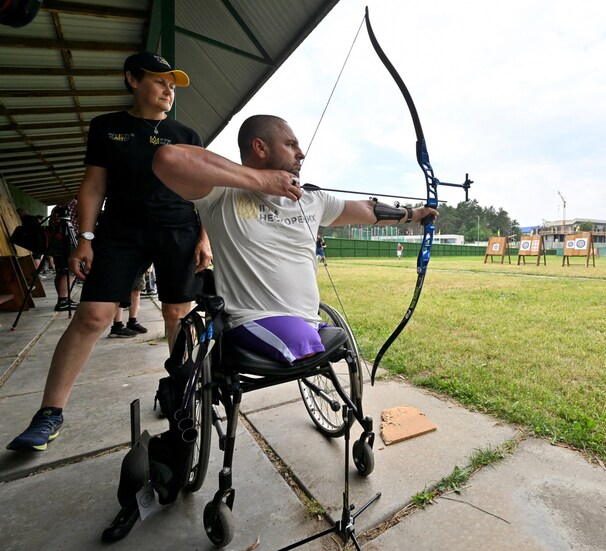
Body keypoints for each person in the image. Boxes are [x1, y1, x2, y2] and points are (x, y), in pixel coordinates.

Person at [7, 52, 212, 452]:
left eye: (172, 84)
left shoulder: (187, 135)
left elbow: (203, 193)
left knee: (178, 314)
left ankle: (182, 395)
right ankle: (49, 414)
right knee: (92, 315)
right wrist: (84, 237)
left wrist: (204, 238)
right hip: (120, 231)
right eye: (159, 81)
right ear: (133, 80)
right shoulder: (107, 127)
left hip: (178, 230)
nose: (169, 90)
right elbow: (94, 185)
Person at [152, 114, 437, 364]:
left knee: (325, 338)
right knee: (304, 342)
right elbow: (168, 159)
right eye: (291, 145)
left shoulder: (311, 199)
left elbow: (365, 209)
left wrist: (413, 214)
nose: (300, 153)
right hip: (253, 320)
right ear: (260, 147)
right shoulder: (220, 194)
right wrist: (262, 181)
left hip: (308, 321)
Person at [48, 197, 79, 312]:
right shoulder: (75, 204)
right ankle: (63, 301)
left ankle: (62, 299)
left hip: (56, 241)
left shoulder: (58, 205)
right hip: (69, 241)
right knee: (70, 272)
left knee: (60, 271)